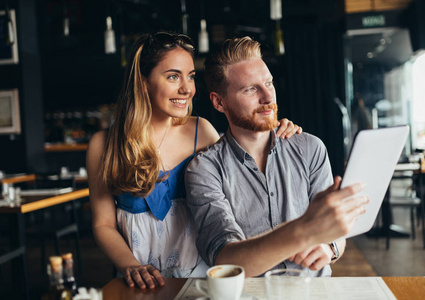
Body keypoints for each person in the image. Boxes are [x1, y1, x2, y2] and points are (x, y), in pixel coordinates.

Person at [86, 32, 301, 289]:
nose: (187, 89)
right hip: (139, 280)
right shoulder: (104, 145)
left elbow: (247, 167)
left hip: (202, 277)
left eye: (190, 76)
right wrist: (130, 266)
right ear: (143, 82)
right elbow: (102, 224)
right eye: (173, 76)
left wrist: (273, 130)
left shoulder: (202, 132)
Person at [185, 37, 369, 278]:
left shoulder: (310, 148)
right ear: (219, 102)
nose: (268, 98)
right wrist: (302, 231)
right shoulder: (204, 169)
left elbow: (336, 234)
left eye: (269, 83)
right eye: (251, 89)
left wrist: (330, 247)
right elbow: (225, 258)